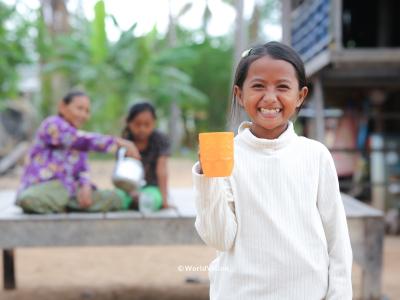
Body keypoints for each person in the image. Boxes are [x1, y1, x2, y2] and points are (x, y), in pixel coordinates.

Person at [192, 42, 353, 299]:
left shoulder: (316, 155)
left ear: (300, 96)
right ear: (239, 94)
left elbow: (338, 241)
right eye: (258, 86)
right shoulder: (227, 156)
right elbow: (219, 238)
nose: (270, 97)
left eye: (282, 87)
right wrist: (207, 177)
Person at [16, 90, 139, 214]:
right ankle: (64, 204)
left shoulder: (79, 141)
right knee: (29, 199)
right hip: (43, 188)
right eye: (79, 108)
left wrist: (85, 186)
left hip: (69, 192)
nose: (84, 114)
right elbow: (80, 140)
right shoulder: (52, 125)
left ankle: (63, 205)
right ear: (63, 107)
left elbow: (83, 170)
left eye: (87, 111)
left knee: (114, 198)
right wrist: (116, 142)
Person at [122, 102, 171, 209]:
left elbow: (162, 171)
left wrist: (164, 199)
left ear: (154, 123)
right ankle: (135, 201)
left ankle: (144, 201)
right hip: (128, 188)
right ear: (129, 123)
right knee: (118, 198)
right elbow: (122, 173)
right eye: (137, 124)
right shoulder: (125, 142)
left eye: (147, 124)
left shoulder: (160, 140)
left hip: (152, 188)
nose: (142, 129)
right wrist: (131, 192)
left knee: (153, 198)